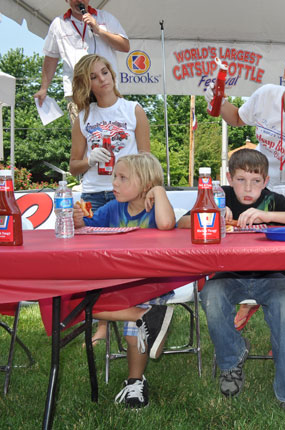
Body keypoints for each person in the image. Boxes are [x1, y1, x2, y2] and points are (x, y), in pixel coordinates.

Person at [178, 149, 285, 419]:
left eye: (256, 181)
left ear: (266, 180)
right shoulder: (217, 196)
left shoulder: (272, 201)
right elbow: (180, 223)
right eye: (241, 180)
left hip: (273, 277)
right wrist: (211, 214)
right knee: (210, 295)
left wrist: (267, 215)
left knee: (284, 308)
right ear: (229, 178)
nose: (248, 188)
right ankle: (232, 358)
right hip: (228, 276)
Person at [208, 42, 285, 328]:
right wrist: (217, 99)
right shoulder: (266, 95)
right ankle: (252, 300)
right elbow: (236, 118)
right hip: (257, 185)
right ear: (284, 74)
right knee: (253, 249)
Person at [72, 152, 176, 408]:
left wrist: (160, 191)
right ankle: (144, 315)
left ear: (146, 184)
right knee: (80, 304)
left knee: (133, 335)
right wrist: (77, 222)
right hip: (117, 283)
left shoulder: (156, 208)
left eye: (122, 178)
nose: (114, 183)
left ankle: (134, 382)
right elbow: (88, 229)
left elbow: (166, 224)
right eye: (114, 177)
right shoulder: (111, 209)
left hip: (152, 283)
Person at [69, 53, 150, 346]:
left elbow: (146, 158)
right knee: (93, 260)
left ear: (112, 74)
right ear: (86, 84)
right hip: (91, 193)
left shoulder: (133, 110)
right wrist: (89, 160)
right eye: (93, 76)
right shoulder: (83, 117)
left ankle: (128, 308)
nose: (102, 79)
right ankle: (101, 323)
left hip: (127, 194)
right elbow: (73, 164)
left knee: (126, 257)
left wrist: (145, 188)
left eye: (104, 72)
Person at [34, 0, 129, 125]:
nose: (79, 1)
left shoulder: (105, 17)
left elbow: (125, 46)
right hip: (78, 91)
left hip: (106, 88)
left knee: (110, 134)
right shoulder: (58, 24)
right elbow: (51, 57)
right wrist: (43, 88)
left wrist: (99, 30)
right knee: (82, 136)